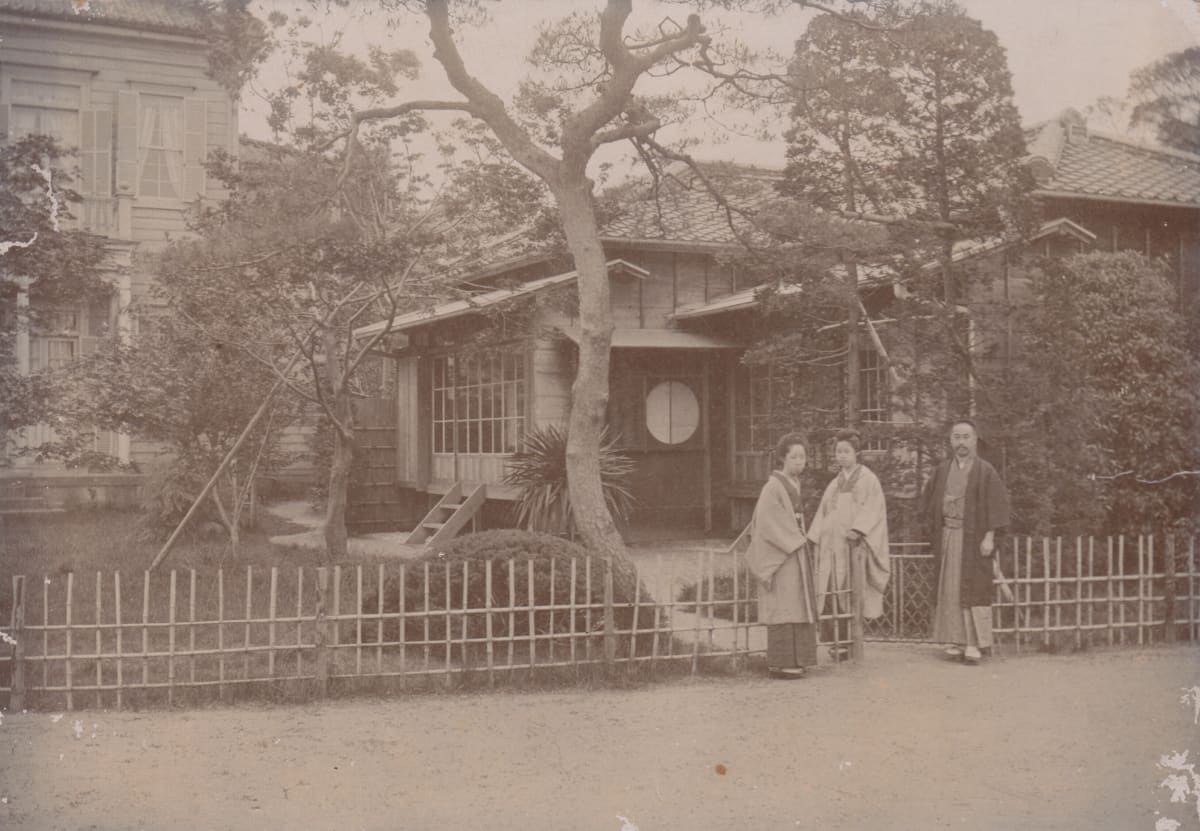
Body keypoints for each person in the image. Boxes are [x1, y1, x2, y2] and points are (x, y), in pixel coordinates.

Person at [923, 419, 1011, 665]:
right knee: (949, 589)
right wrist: (934, 531)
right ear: (951, 441)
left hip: (973, 540)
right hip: (948, 537)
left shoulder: (985, 471)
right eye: (956, 437)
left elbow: (997, 506)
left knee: (973, 589)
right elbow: (929, 504)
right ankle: (954, 641)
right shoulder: (942, 470)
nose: (961, 442)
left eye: (966, 437)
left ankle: (973, 644)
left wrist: (990, 535)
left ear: (974, 440)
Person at [807, 429, 892, 659]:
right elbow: (823, 512)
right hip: (830, 547)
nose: (841, 456)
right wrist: (814, 536)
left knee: (850, 592)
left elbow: (874, 509)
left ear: (857, 453)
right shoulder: (835, 483)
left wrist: (858, 529)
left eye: (846, 451)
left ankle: (850, 641)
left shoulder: (868, 479)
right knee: (830, 590)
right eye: (838, 451)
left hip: (852, 547)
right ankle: (835, 641)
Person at [744, 433, 819, 678]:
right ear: (782, 458)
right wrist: (794, 538)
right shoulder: (772, 487)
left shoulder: (794, 484)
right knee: (784, 604)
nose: (799, 461)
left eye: (803, 457)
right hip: (782, 553)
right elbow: (766, 521)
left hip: (794, 549)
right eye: (794, 457)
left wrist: (798, 537)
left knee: (798, 602)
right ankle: (782, 662)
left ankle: (800, 660)